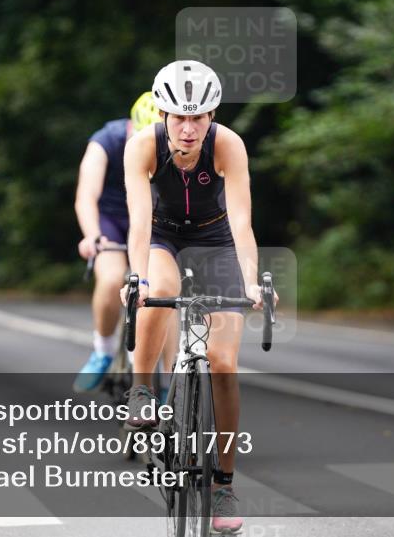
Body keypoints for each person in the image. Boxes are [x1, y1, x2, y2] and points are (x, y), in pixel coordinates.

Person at [121, 60, 277, 535]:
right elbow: (140, 222)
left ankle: (223, 485)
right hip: (163, 236)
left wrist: (249, 280)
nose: (188, 129)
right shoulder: (141, 146)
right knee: (161, 289)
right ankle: (142, 390)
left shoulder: (228, 145)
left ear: (212, 115)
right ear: (162, 113)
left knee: (224, 363)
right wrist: (139, 278)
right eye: (178, 117)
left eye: (199, 117)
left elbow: (242, 222)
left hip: (216, 241)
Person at [73, 92, 162, 393]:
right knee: (111, 278)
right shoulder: (106, 140)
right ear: (130, 128)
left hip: (150, 217)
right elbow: (86, 196)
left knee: (159, 287)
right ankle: (103, 349)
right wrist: (91, 235)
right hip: (110, 218)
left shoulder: (171, 144)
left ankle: (157, 375)